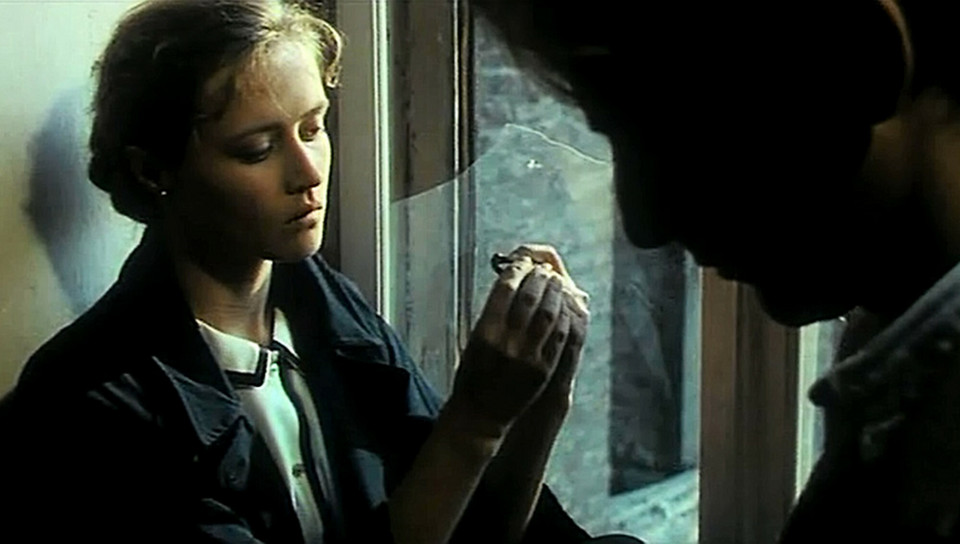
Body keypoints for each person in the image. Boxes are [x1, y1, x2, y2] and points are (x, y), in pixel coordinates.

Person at [0, 1, 638, 543]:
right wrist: (474, 422)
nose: (308, 173)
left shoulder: (328, 308)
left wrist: (540, 401)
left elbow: (472, 532)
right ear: (152, 171)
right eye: (257, 149)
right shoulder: (86, 404)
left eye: (314, 128)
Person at [473, 0, 960, 542]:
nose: (643, 224)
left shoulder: (933, 458)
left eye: (676, 140)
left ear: (861, 59)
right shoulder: (894, 375)